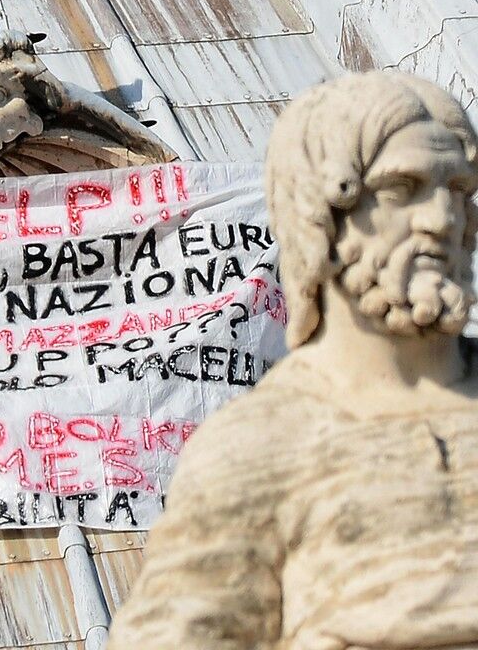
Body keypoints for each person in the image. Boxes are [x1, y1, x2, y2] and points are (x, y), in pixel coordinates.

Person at [106, 72, 478, 650]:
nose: (443, 220)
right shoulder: (256, 445)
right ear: (319, 218)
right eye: (402, 190)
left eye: (457, 189)